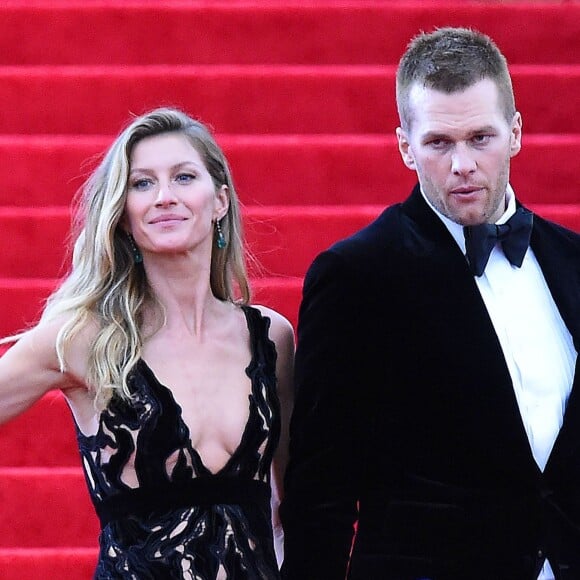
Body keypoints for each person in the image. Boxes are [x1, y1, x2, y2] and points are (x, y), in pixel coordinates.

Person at [280, 27, 580, 580]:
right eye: (439, 143)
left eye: (480, 138)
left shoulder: (571, 262)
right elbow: (322, 487)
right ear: (405, 147)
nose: (462, 164)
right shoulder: (356, 277)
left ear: (515, 133)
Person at [0, 107, 294, 579]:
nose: (163, 197)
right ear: (122, 214)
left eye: (183, 177)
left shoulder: (271, 337)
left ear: (219, 201)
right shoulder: (83, 338)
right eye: (142, 184)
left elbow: (289, 506)